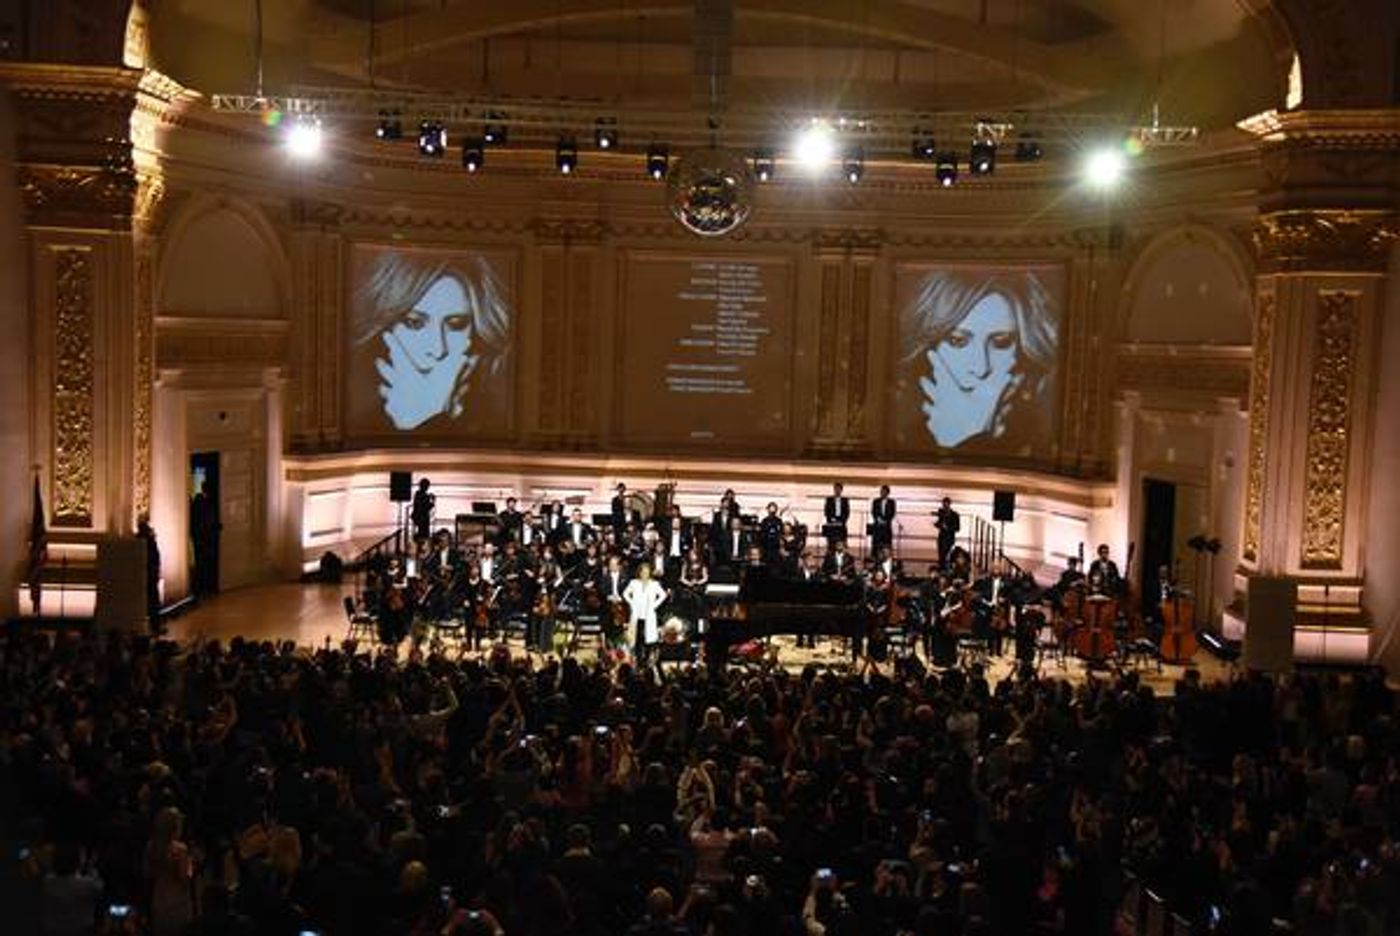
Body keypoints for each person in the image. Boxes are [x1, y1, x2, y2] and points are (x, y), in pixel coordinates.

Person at [352, 252, 510, 431]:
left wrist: (429, 419)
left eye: (456, 325)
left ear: (477, 332)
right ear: (385, 329)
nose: (438, 349)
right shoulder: (357, 427)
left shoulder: (497, 425)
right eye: (414, 323)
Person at [903, 269, 1058, 449]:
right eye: (957, 341)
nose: (981, 367)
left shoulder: (1046, 439)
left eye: (1001, 342)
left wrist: (969, 440)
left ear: (1025, 350)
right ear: (929, 348)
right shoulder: (902, 439)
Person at [623, 562, 668, 664]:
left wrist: (654, 605)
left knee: (648, 638)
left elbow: (663, 595)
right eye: (643, 572)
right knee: (638, 638)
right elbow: (625, 593)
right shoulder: (633, 583)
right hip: (637, 614)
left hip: (649, 614)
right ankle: (638, 659)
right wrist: (632, 603)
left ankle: (647, 659)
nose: (645, 574)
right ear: (640, 573)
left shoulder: (654, 584)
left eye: (647, 572)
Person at [189, 481, 219, 598]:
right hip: (204, 538)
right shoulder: (204, 504)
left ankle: (200, 588)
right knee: (203, 563)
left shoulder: (200, 503)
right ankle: (201, 588)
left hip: (201, 538)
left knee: (201, 563)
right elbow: (205, 522)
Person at [136, 517, 162, 633]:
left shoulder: (139, 540)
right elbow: (155, 557)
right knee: (153, 600)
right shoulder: (149, 539)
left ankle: (151, 625)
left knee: (149, 600)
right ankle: (155, 626)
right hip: (150, 573)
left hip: (145, 573)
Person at [934, 496, 960, 569]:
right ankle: (941, 568)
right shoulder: (942, 513)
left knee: (946, 555)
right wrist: (938, 525)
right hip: (942, 537)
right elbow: (939, 523)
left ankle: (946, 569)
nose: (944, 506)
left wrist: (947, 527)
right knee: (941, 555)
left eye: (946, 504)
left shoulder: (955, 515)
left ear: (949, 504)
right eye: (943, 504)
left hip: (949, 538)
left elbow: (957, 528)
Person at [870, 484, 896, 553]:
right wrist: (878, 519)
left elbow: (892, 513)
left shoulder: (892, 502)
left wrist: (885, 521)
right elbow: (873, 512)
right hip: (877, 527)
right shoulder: (875, 501)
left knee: (886, 544)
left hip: (886, 527)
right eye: (881, 491)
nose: (882, 493)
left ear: (888, 493)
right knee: (876, 544)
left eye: (884, 491)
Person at [823, 482, 849, 547]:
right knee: (831, 543)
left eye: (839, 489)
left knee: (840, 542)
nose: (837, 490)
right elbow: (826, 511)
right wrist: (831, 519)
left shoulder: (845, 500)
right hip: (831, 523)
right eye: (836, 489)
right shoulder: (829, 499)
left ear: (841, 490)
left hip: (841, 523)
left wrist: (842, 520)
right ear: (834, 489)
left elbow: (847, 512)